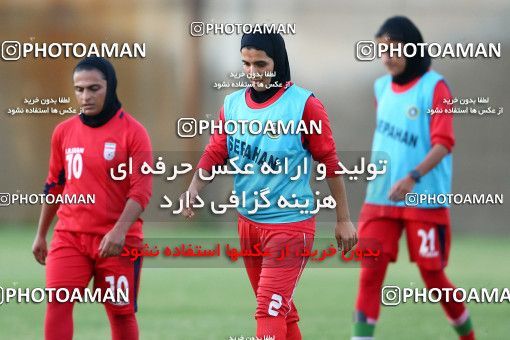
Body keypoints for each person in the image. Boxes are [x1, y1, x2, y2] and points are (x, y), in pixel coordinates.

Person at [181, 32, 357, 340]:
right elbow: (215, 151)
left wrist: (343, 219)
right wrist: (194, 187)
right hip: (248, 223)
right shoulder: (233, 105)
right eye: (246, 64)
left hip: (290, 225)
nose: (253, 72)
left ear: (279, 62)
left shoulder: (305, 105)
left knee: (268, 310)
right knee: (281, 312)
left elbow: (330, 163)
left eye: (261, 64)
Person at [351, 16, 475, 340]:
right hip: (381, 198)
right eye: (381, 50)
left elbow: (444, 143)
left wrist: (412, 177)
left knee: (432, 276)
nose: (386, 57)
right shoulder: (380, 87)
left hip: (423, 196)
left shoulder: (435, 87)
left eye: (393, 49)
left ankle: (468, 335)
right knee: (370, 273)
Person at [32, 57, 152, 340]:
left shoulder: (134, 133)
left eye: (93, 88)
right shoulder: (63, 131)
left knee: (121, 312)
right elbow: (54, 184)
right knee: (58, 304)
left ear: (110, 88)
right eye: (79, 89)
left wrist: (119, 231)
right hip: (70, 237)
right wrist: (41, 234)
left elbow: (141, 191)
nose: (85, 96)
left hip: (118, 241)